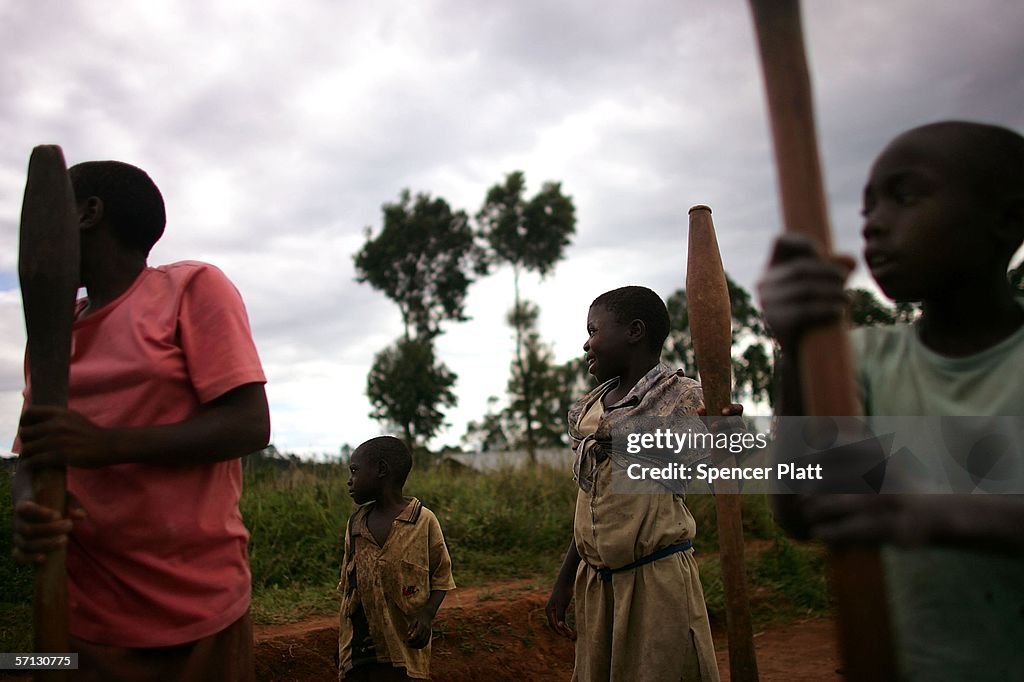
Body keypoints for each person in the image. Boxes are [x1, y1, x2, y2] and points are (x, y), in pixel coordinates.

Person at [758, 120, 1024, 680]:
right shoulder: (863, 360)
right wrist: (797, 350)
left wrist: (938, 513)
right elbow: (802, 512)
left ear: (1008, 219)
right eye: (866, 209)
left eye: (905, 197)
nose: (874, 225)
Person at [12, 160, 270, 681]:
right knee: (21, 666)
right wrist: (28, 509)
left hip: (197, 613)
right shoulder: (50, 332)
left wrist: (107, 445)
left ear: (88, 213)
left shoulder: (191, 289)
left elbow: (249, 425)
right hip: (82, 621)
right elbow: (33, 452)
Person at [545, 285, 722, 682]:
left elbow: (718, 479)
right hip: (596, 586)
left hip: (655, 582)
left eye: (594, 330)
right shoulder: (587, 411)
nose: (586, 343)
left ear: (635, 331)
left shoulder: (684, 399)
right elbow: (592, 500)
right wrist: (564, 582)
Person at [338, 436, 455, 681]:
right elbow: (348, 591)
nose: (349, 481)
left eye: (355, 471)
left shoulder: (423, 521)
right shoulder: (355, 525)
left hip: (406, 651)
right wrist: (344, 646)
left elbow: (441, 576)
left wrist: (426, 616)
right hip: (360, 656)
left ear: (381, 470)